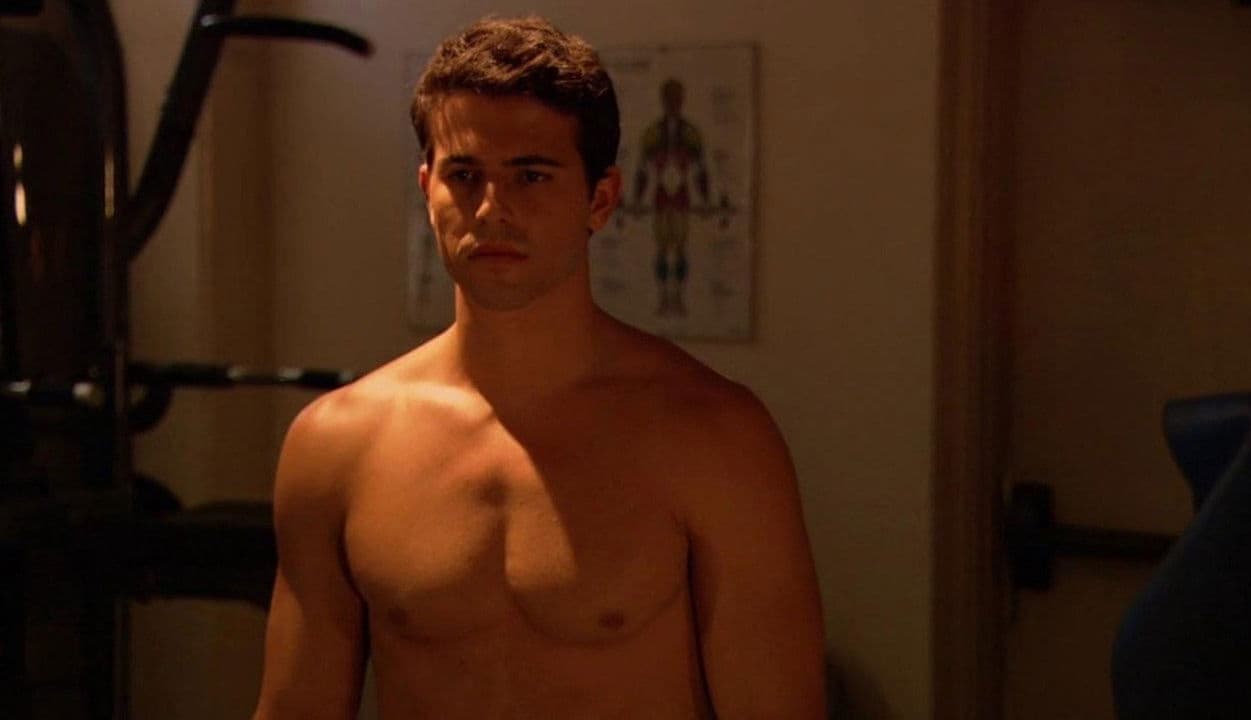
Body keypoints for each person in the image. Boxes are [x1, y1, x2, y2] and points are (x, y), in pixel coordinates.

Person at [252, 15, 824, 719]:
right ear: (427, 189)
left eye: (531, 176)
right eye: (465, 175)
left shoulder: (714, 437)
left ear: (600, 199)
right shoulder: (338, 442)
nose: (493, 209)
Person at [632, 77, 711, 317]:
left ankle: (679, 298)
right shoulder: (653, 133)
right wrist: (637, 200)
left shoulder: (691, 133)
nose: (673, 103)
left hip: (682, 200)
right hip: (660, 199)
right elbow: (642, 170)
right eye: (669, 99)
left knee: (680, 249)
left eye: (677, 99)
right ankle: (663, 297)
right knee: (662, 248)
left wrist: (705, 200)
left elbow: (701, 170)